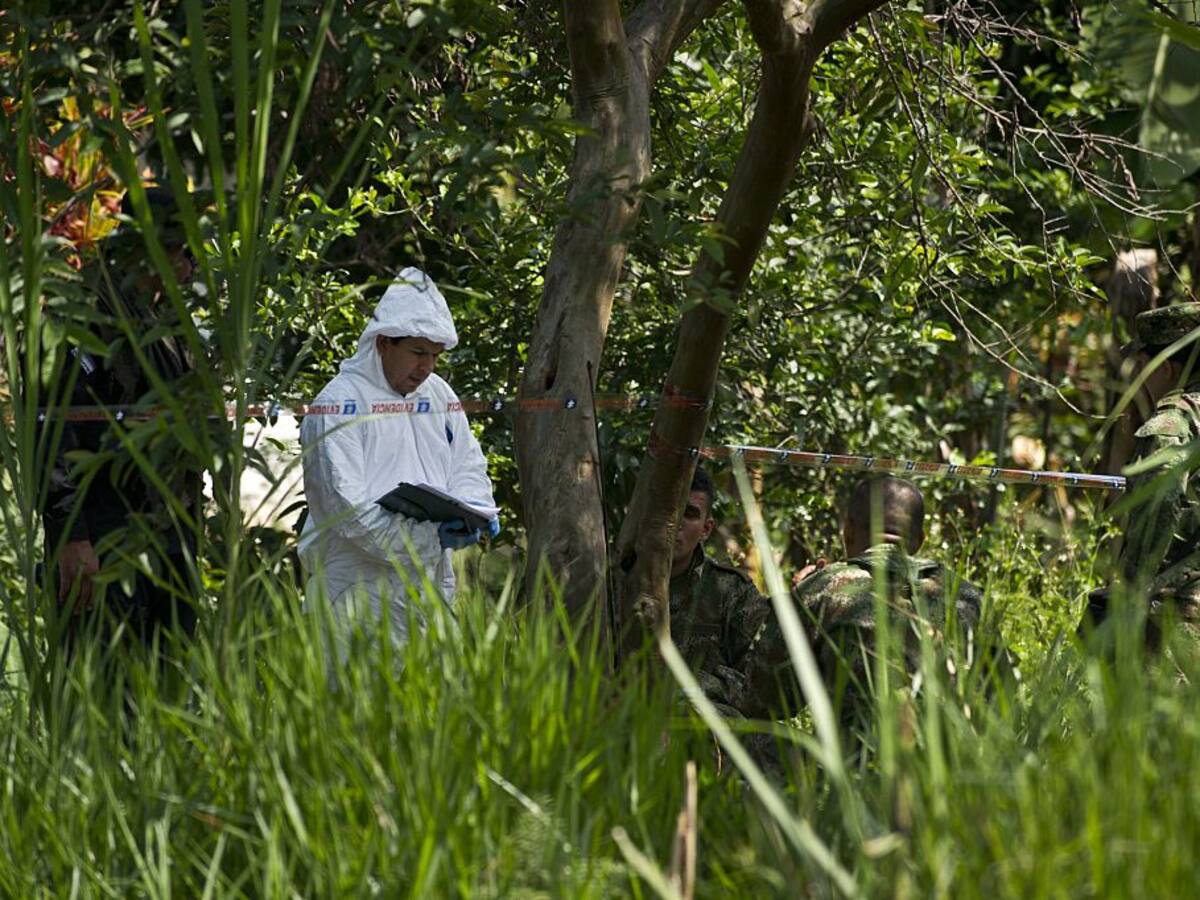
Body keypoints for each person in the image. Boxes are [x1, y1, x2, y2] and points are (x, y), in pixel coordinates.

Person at [39, 185, 204, 652]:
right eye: (178, 249)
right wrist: (70, 533)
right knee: (103, 693)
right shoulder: (87, 309)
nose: (188, 262)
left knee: (166, 692)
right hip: (105, 537)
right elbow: (52, 423)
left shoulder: (168, 320)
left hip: (171, 538)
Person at [299, 267, 497, 650]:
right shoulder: (339, 404)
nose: (426, 367)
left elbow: (468, 465)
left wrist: (476, 509)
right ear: (383, 343)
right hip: (357, 593)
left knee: (428, 705)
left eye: (435, 355)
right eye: (418, 352)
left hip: (429, 590)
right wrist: (430, 537)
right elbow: (349, 512)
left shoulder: (438, 395)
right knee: (355, 705)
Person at [742, 476, 991, 727]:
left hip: (851, 761)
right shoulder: (968, 596)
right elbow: (998, 703)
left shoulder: (823, 587)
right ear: (919, 541)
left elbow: (761, 700)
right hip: (951, 763)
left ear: (848, 530)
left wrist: (800, 600)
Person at [1090, 302, 1200, 648]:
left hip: (1176, 614)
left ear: (1165, 368)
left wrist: (1131, 586)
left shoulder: (1172, 425)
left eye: (1143, 366)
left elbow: (1161, 504)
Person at [667, 467, 772, 717]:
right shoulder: (610, 578)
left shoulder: (731, 591)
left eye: (690, 514)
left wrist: (696, 687)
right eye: (669, 507)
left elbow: (761, 683)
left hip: (700, 732)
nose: (677, 522)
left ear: (706, 529)